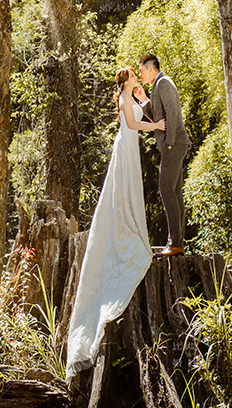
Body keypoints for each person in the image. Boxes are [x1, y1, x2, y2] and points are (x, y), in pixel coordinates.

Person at [65, 66, 165, 380]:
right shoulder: (122, 97)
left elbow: (142, 109)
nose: (137, 79)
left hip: (130, 149)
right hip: (126, 147)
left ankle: (132, 226)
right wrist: (159, 124)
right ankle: (126, 231)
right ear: (124, 80)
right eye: (133, 76)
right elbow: (136, 123)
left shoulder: (130, 95)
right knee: (123, 193)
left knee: (131, 191)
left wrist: (143, 97)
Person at [134, 53, 192, 258]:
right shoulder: (157, 85)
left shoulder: (164, 82)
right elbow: (159, 116)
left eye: (141, 70)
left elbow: (173, 113)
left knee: (166, 189)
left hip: (174, 144)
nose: (140, 74)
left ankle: (174, 242)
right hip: (175, 143)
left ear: (150, 68)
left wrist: (169, 142)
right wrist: (143, 100)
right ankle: (177, 243)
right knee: (174, 192)